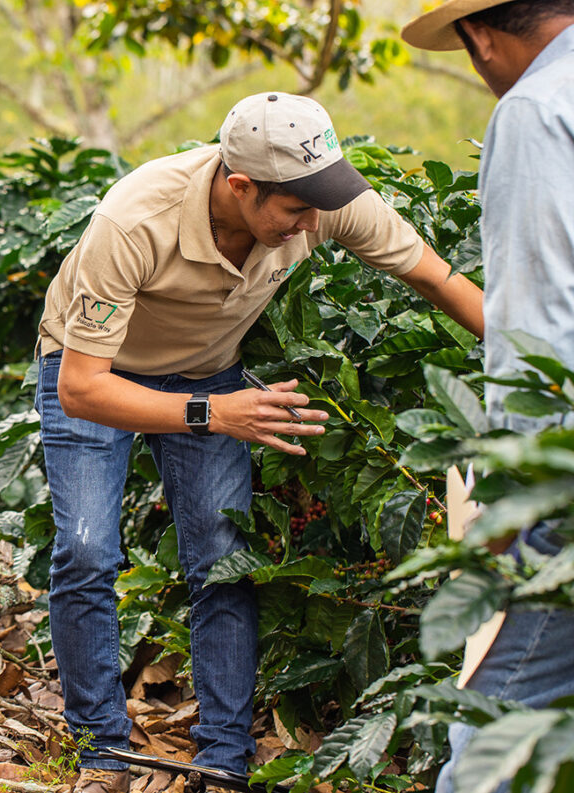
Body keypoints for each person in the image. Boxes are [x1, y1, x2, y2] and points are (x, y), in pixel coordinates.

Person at [35, 90, 484, 793]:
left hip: (210, 370)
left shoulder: (321, 196)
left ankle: (222, 759)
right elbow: (81, 389)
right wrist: (211, 414)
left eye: (320, 206)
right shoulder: (135, 220)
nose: (313, 223)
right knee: (87, 549)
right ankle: (102, 753)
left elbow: (436, 276)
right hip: (97, 370)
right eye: (295, 210)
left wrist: (536, 363)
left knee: (222, 559)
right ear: (239, 185)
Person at [402, 2, 574, 792]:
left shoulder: (536, 110)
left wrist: (510, 500)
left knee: (494, 734)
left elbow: (538, 332)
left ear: (477, 35)